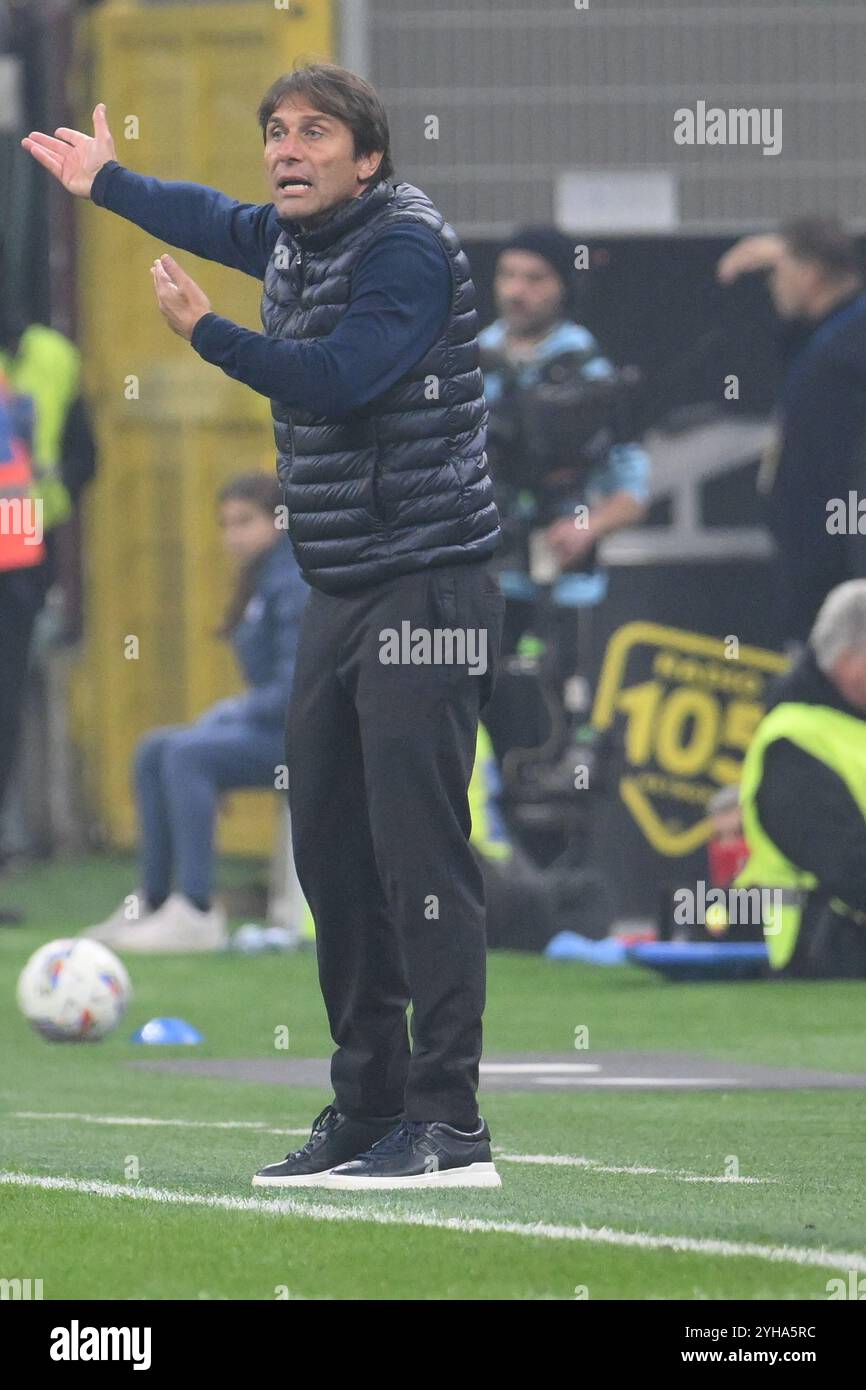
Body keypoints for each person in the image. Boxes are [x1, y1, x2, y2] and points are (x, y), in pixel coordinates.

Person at [23, 61, 506, 1189]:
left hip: (425, 584)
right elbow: (214, 217)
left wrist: (207, 336)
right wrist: (108, 183)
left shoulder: (401, 248)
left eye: (315, 133)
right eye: (276, 132)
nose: (287, 150)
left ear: (368, 157)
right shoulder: (300, 236)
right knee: (331, 849)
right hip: (342, 584)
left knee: (416, 854)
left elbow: (340, 377)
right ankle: (367, 1109)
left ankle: (450, 1125)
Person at [82, 473, 308, 953]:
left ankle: (198, 911)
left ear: (281, 521)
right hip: (275, 727)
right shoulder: (263, 575)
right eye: (225, 524)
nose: (233, 536)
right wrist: (231, 718)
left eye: (245, 521)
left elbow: (297, 691)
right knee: (154, 748)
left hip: (306, 737)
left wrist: (230, 717)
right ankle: (156, 901)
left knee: (188, 755)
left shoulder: (292, 579)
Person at [717, 218, 866, 645]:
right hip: (815, 574)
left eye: (777, 272)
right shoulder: (825, 337)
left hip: (840, 580)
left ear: (810, 273)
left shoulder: (851, 342)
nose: (771, 285)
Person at [733, 579, 866, 978]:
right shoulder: (792, 740)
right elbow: (847, 863)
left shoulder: (848, 724)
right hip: (813, 956)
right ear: (848, 659)